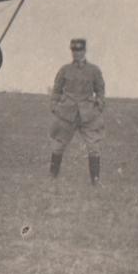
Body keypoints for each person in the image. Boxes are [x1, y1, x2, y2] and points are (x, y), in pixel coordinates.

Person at [49, 38, 107, 186]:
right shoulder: (64, 70)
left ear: (84, 51)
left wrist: (99, 105)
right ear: (71, 52)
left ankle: (95, 180)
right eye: (74, 51)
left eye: (79, 51)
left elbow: (100, 90)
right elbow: (56, 90)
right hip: (67, 114)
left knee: (94, 147)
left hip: (88, 115)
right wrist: (54, 106)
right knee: (58, 145)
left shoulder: (94, 70)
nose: (77, 54)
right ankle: (52, 177)